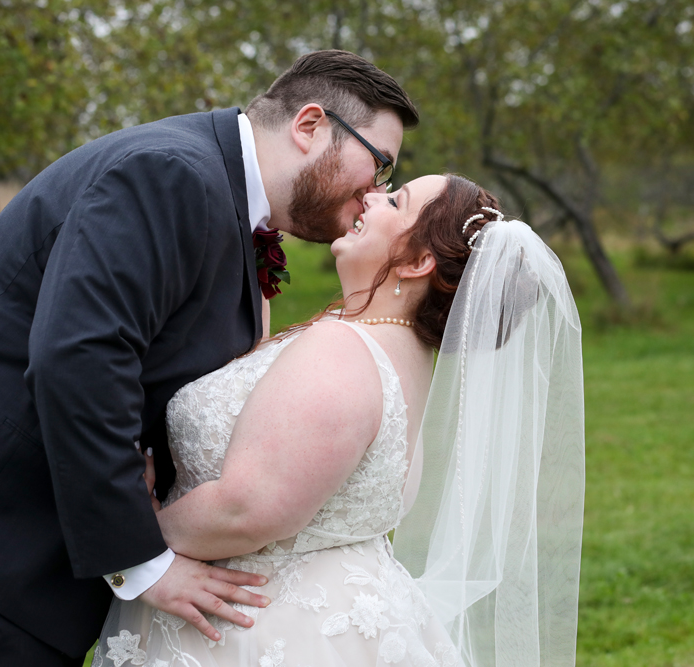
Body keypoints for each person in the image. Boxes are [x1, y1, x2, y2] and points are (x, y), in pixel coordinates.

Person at [0, 50, 419, 665]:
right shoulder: (171, 174)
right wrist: (141, 560)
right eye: (378, 163)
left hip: (4, 539)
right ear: (310, 125)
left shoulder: (218, 191)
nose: (375, 191)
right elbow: (78, 358)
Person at [93, 174, 586, 666]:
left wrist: (133, 534)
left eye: (396, 201)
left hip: (266, 628)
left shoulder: (343, 351)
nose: (371, 196)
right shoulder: (397, 348)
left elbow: (246, 508)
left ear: (418, 263)